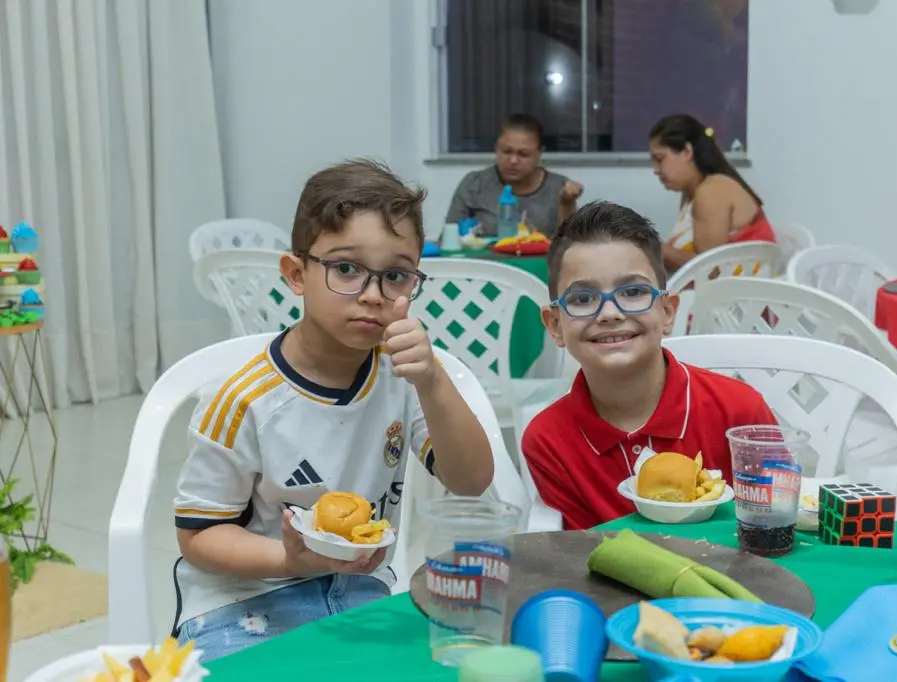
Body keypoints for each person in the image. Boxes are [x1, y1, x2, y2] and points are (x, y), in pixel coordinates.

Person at [173, 160, 494, 658]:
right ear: (296, 274)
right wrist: (292, 560)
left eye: (395, 276)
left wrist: (433, 380)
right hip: (242, 600)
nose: (373, 295)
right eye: (346, 269)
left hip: (359, 592)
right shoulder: (241, 400)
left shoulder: (404, 379)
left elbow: (472, 480)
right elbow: (199, 536)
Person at [521, 201, 776, 531]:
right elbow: (576, 552)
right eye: (582, 299)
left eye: (633, 291)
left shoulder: (740, 412)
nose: (610, 313)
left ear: (667, 311)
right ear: (555, 325)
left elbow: (779, 526)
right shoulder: (548, 440)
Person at [649, 114, 776, 274]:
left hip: (740, 289)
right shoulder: (693, 193)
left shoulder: (712, 192)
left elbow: (711, 271)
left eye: (660, 159)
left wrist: (657, 248)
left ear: (687, 151)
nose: (656, 170)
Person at [446, 113, 584, 236]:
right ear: (496, 148)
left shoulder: (559, 187)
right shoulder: (474, 184)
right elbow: (449, 238)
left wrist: (566, 204)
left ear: (539, 153)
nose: (513, 161)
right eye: (506, 151)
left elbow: (571, 245)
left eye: (523, 154)